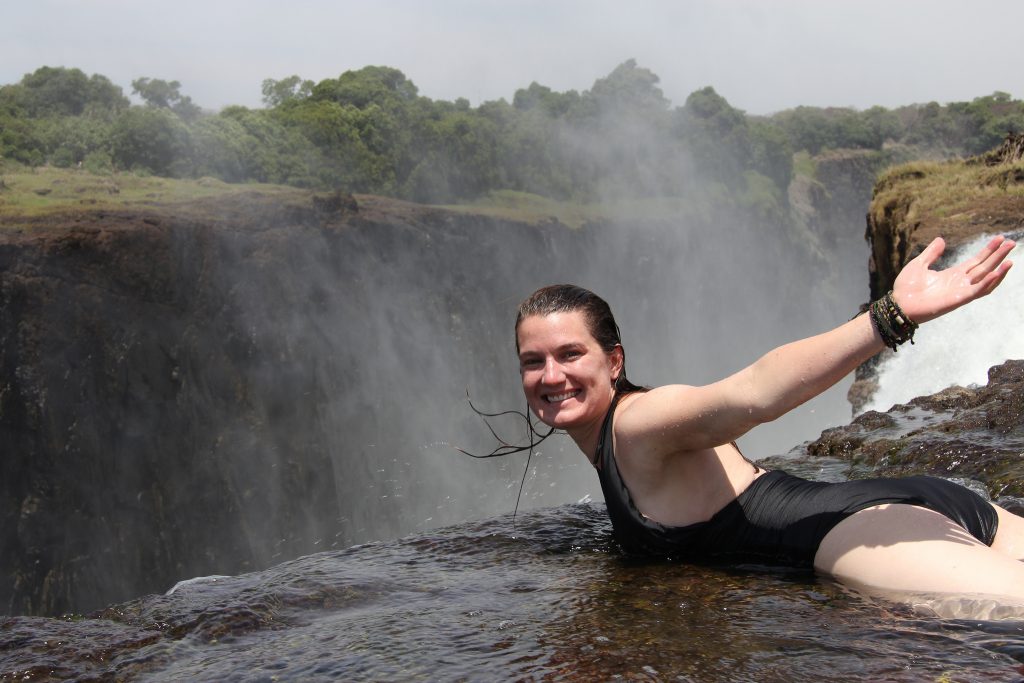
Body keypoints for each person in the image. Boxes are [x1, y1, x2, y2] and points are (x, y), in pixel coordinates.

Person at [512, 235, 1024, 602]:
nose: (551, 375)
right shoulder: (617, 436)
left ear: (614, 360)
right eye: (534, 361)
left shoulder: (635, 424)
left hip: (858, 535)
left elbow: (756, 392)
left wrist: (891, 315)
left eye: (570, 354)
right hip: (923, 503)